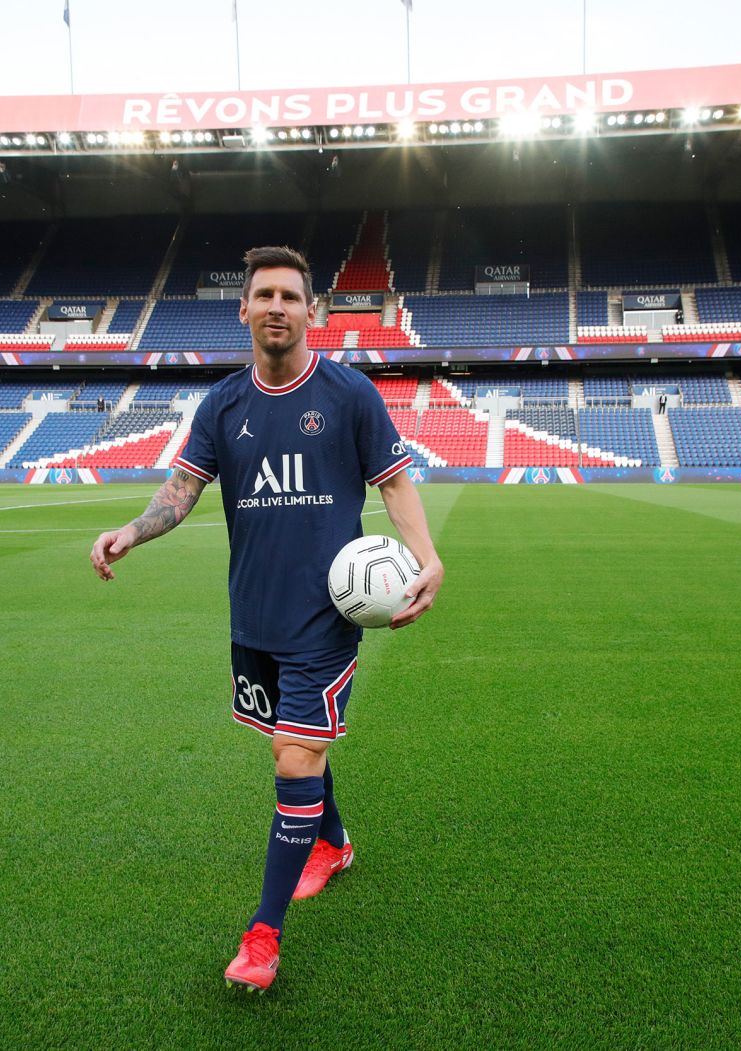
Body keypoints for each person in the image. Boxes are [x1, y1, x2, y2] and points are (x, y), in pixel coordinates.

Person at [89, 245, 444, 993]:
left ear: (312, 311)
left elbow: (398, 482)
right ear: (244, 310)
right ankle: (335, 842)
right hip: (253, 620)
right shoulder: (222, 404)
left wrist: (427, 557)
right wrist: (132, 530)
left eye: (291, 295)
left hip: (326, 619)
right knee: (296, 746)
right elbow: (180, 490)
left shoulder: (350, 395)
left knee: (294, 756)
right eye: (265, 295)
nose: (278, 306)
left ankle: (263, 934)